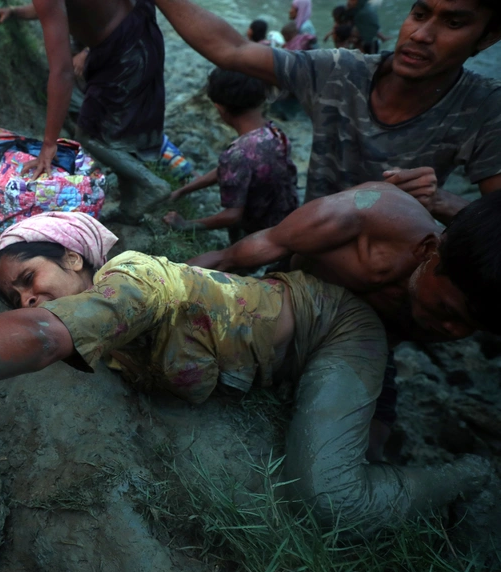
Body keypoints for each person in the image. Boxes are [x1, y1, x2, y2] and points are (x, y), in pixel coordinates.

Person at [0, 212, 489, 542]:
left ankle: (474, 472)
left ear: (78, 255)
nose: (29, 296)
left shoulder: (133, 282)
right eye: (15, 295)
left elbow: (34, 335)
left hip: (335, 329)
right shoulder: (88, 318)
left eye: (33, 275)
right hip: (275, 350)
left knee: (337, 502)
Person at [189, 184, 501, 459]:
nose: (455, 331)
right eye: (448, 310)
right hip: (296, 310)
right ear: (428, 250)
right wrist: (169, 281)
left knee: (367, 449)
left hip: (369, 347)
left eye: (472, 328)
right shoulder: (359, 218)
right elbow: (227, 258)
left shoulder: (475, 288)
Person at [154, 0, 501, 223]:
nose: (422, 35)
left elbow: (493, 229)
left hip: (389, 279)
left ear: (488, 37)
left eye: (454, 23)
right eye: (420, 14)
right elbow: (232, 49)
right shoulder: (340, 70)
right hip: (307, 250)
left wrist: (440, 201)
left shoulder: (486, 109)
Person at [0, 0, 171, 221]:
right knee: (115, 132)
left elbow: (62, 72)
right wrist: (16, 12)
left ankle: (152, 185)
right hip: (139, 29)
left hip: (124, 51)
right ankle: (129, 208)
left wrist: (50, 143)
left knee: (91, 135)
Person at [164, 69, 298, 243]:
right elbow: (230, 170)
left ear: (220, 108)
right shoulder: (275, 133)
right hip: (287, 221)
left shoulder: (236, 154)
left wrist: (187, 224)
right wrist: (182, 191)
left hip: (258, 238)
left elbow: (232, 215)